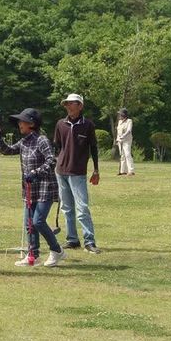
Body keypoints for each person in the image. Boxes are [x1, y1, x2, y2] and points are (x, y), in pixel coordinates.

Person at [0, 107, 66, 267]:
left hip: (45, 187)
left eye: (23, 121)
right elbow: (7, 150)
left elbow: (51, 160)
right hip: (29, 189)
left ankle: (57, 251)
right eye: (19, 121)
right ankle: (33, 256)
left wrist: (36, 172)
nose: (20, 123)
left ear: (32, 124)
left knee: (38, 221)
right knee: (29, 223)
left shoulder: (41, 140)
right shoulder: (24, 141)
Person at [53, 93, 101, 254]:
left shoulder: (88, 125)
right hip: (61, 171)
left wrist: (96, 169)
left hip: (78, 172)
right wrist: (57, 161)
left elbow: (93, 147)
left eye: (71, 103)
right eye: (66, 104)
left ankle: (89, 240)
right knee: (67, 208)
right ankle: (72, 239)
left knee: (82, 208)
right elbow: (57, 146)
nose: (68, 106)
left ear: (80, 106)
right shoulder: (60, 124)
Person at [116, 108, 135, 176]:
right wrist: (118, 139)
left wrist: (123, 136)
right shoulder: (119, 122)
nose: (119, 116)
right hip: (120, 140)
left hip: (127, 140)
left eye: (120, 114)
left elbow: (129, 130)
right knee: (122, 155)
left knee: (127, 154)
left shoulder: (129, 121)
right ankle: (123, 171)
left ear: (124, 115)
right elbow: (118, 131)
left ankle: (131, 171)